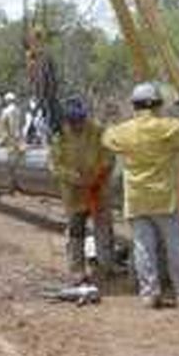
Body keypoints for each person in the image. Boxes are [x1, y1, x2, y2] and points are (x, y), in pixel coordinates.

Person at [102, 82, 179, 309]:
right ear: (157, 104)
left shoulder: (124, 132)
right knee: (176, 246)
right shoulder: (168, 128)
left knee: (143, 248)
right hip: (165, 199)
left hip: (137, 200)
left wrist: (115, 121)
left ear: (134, 105)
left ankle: (149, 294)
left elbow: (107, 137)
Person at [48, 96, 117, 283]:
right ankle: (77, 270)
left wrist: (97, 176)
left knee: (103, 230)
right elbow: (55, 165)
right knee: (76, 232)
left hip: (98, 190)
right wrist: (74, 177)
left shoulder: (98, 131)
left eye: (79, 120)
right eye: (72, 121)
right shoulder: (60, 136)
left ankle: (106, 266)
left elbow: (109, 156)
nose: (76, 125)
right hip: (73, 194)